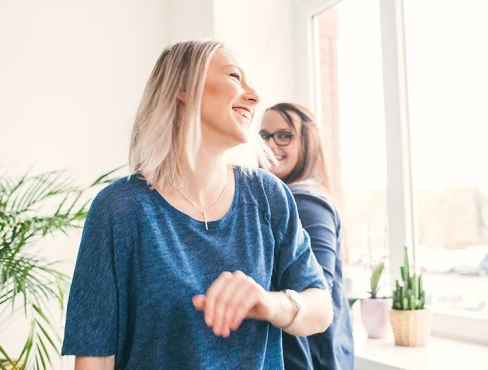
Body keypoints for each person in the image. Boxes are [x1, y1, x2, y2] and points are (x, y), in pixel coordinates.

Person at [61, 40, 333, 370]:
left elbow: (321, 308)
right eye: (235, 76)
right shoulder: (119, 209)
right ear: (183, 89)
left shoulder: (268, 196)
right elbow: (96, 356)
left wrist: (268, 303)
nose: (254, 96)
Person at [260, 103, 354, 370]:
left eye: (284, 135)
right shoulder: (282, 197)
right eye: (264, 136)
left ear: (308, 142)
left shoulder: (306, 204)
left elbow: (316, 292)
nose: (271, 144)